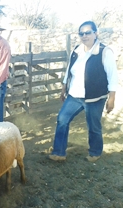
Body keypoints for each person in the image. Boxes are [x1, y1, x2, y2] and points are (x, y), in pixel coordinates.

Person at [49, 21, 118, 162]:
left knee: (93, 126)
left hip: (95, 97)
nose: (84, 36)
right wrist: (64, 88)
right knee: (62, 119)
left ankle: (95, 152)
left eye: (88, 32)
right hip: (74, 95)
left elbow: (112, 76)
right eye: (81, 33)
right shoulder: (76, 50)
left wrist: (111, 98)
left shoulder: (104, 51)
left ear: (95, 33)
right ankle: (59, 152)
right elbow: (69, 70)